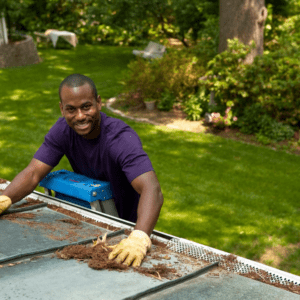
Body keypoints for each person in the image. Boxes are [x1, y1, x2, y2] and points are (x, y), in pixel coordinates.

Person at [0, 73, 164, 267]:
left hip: (125, 228)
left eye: (86, 107)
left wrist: (139, 237)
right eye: (71, 109)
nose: (80, 116)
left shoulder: (120, 138)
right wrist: (5, 198)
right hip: (91, 220)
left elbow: (152, 189)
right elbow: (34, 172)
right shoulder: (63, 131)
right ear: (62, 109)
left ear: (99, 103)